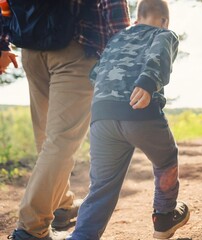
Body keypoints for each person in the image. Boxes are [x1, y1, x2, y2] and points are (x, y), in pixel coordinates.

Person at [0, 1, 130, 240]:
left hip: (32, 47)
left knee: (48, 138)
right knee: (61, 141)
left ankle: (61, 205)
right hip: (76, 49)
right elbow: (113, 7)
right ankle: (31, 227)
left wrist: (1, 42)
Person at [66, 0, 190, 239]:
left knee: (101, 185)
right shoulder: (163, 34)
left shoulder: (116, 39)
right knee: (166, 160)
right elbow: (159, 55)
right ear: (165, 21)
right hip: (139, 112)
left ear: (136, 19)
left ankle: (81, 236)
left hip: (101, 117)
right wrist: (147, 82)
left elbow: (95, 73)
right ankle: (164, 217)